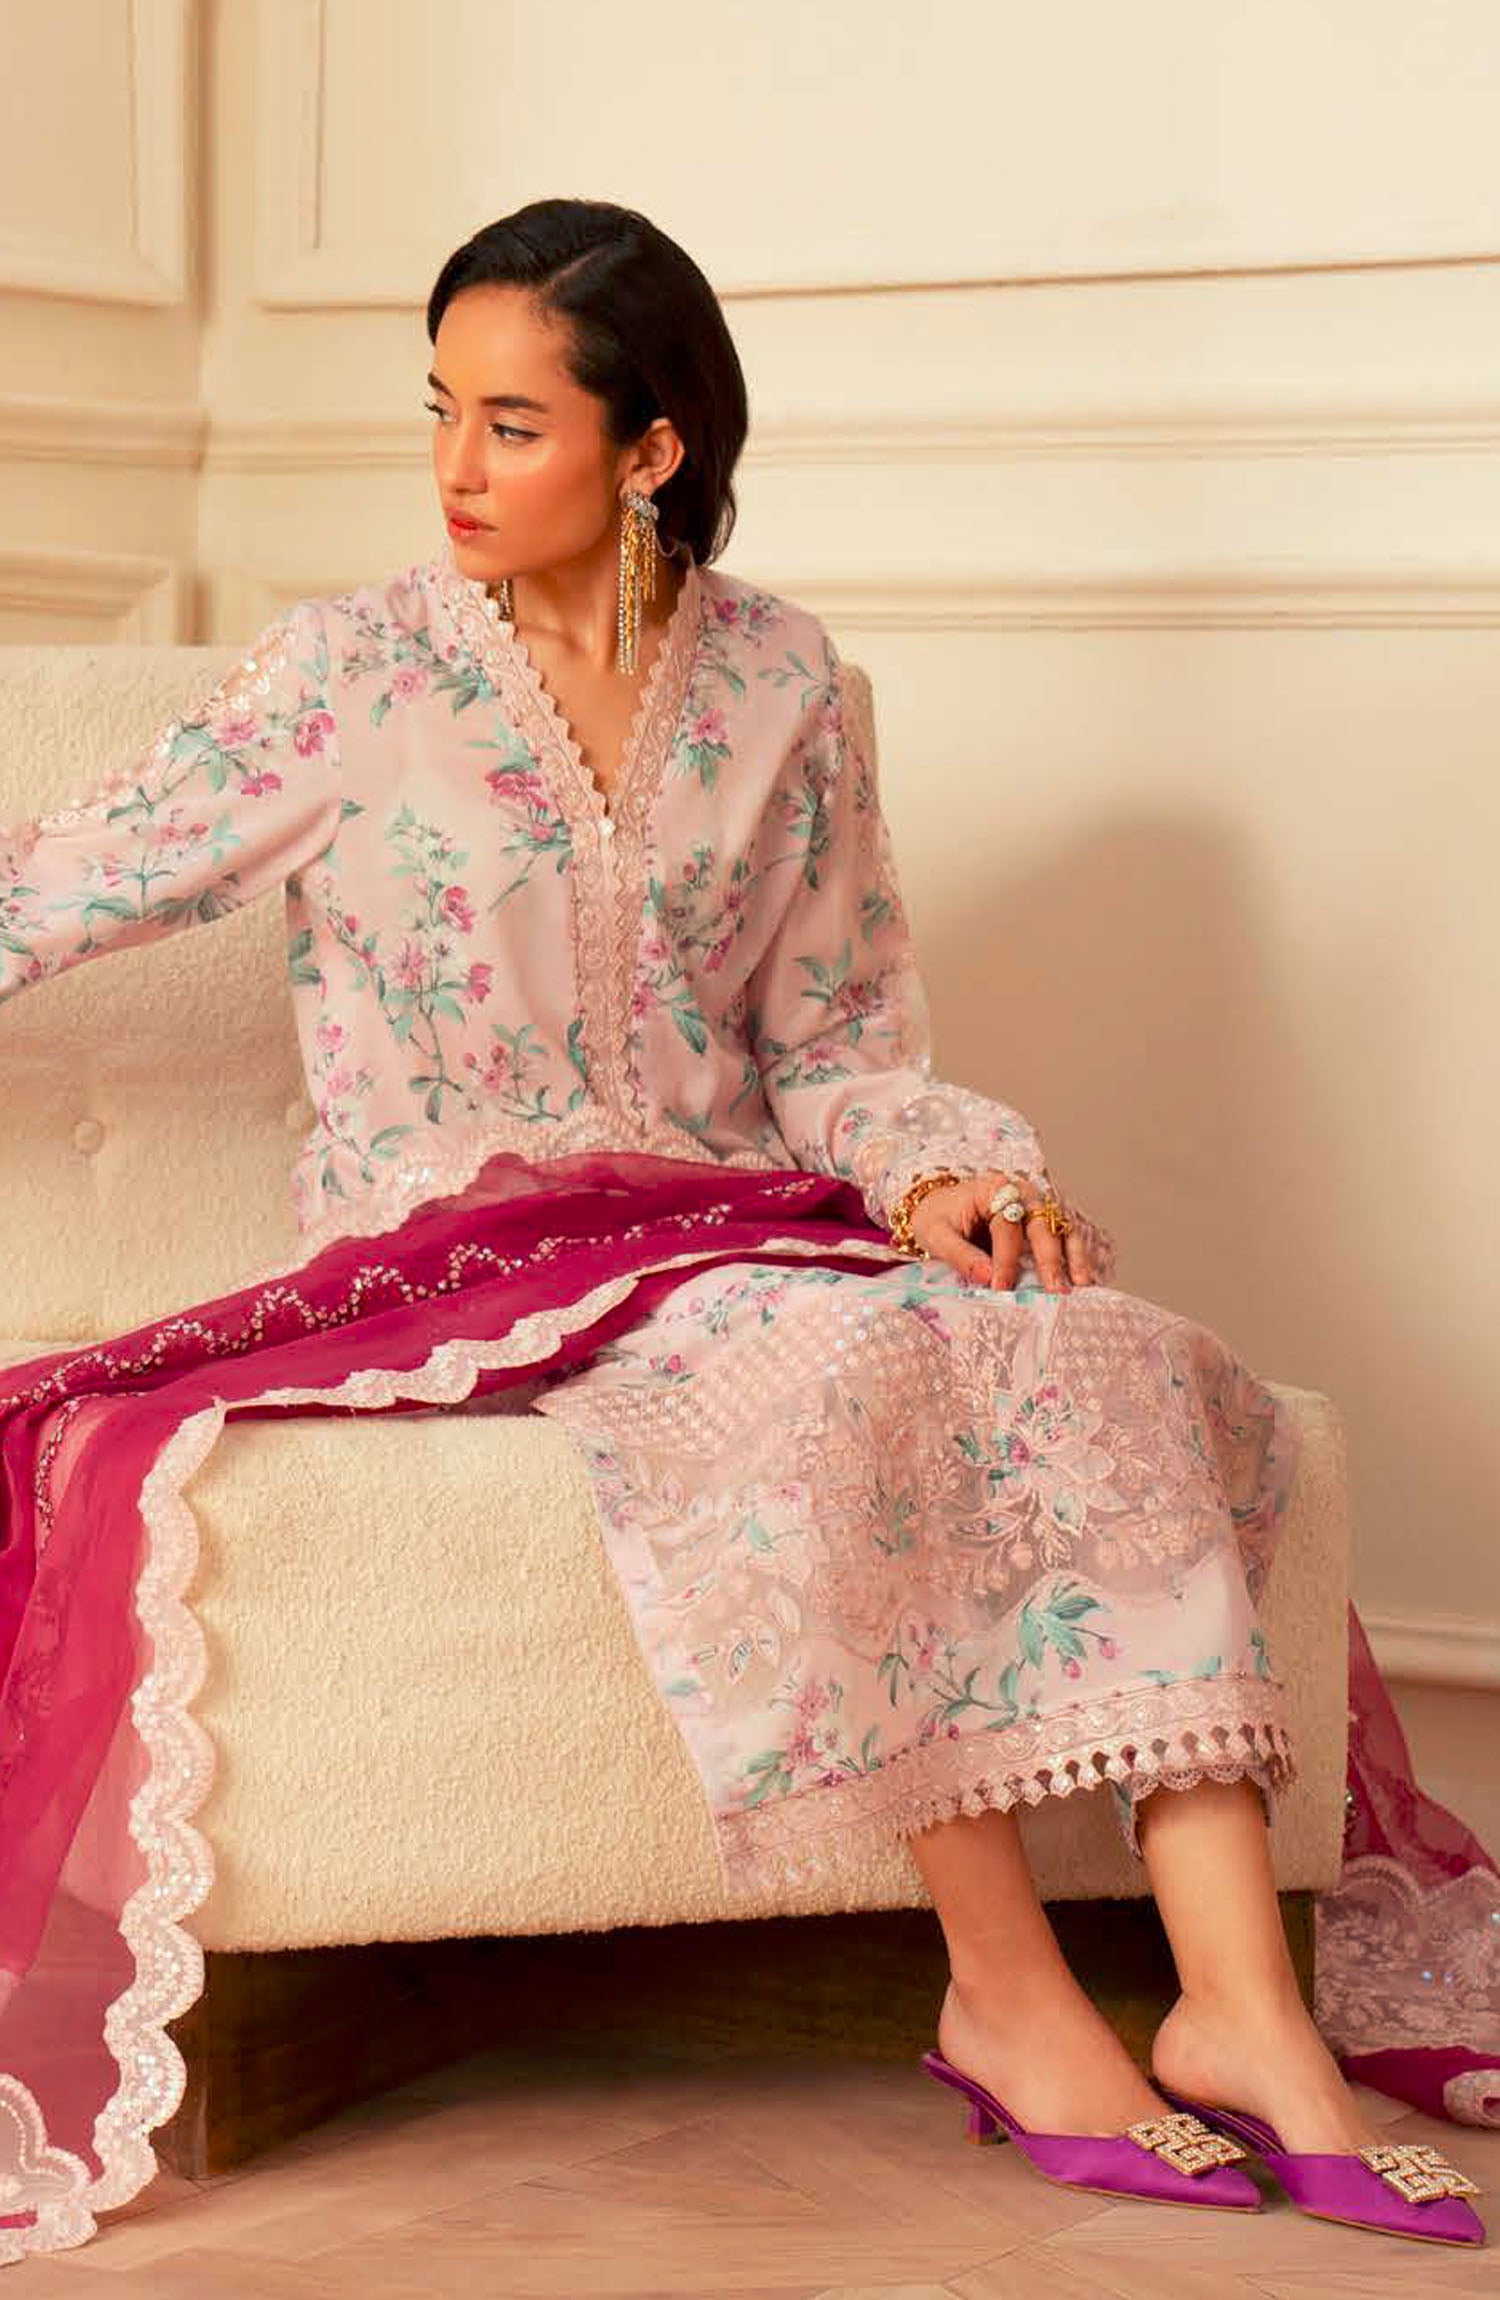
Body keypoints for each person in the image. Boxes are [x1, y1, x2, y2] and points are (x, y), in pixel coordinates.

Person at [0, 197, 1490, 2266]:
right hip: (481, 1250)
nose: (452, 466)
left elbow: (839, 1039)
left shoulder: (781, 681)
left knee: (1097, 1340)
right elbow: (69, 878)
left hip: (747, 1223)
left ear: (652, 448)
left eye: (512, 423)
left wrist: (945, 1178)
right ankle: (1011, 1994)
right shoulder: (354, 673)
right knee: (866, 1369)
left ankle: (1246, 2012)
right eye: (440, 409)